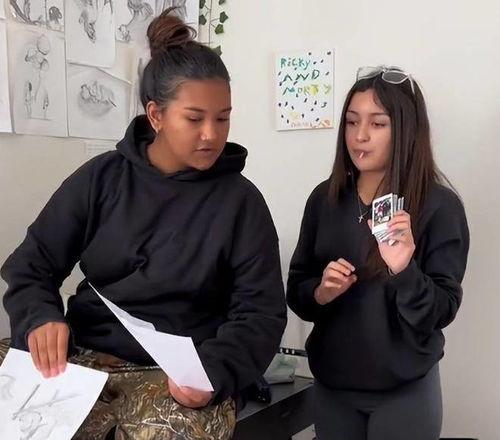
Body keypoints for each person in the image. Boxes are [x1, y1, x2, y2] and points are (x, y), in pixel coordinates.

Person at [1, 9, 286, 439]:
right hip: (85, 355)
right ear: (156, 116)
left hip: (181, 377)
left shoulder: (242, 203)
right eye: (195, 118)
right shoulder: (101, 179)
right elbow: (32, 265)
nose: (212, 134)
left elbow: (260, 314)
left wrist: (214, 371)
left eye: (223, 118)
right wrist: (40, 317)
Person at [286, 65, 469, 440]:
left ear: (406, 129)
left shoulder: (439, 206)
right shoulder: (324, 199)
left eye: (378, 123)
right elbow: (298, 292)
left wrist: (404, 270)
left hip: (405, 391)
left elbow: (441, 311)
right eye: (352, 122)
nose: (360, 135)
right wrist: (321, 292)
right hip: (333, 388)